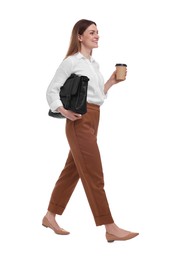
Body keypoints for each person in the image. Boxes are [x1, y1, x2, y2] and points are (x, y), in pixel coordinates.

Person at [43, 19, 139, 242]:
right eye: (92, 32)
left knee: (72, 171)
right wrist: (63, 111)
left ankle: (50, 215)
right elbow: (51, 91)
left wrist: (111, 83)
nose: (97, 36)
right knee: (94, 173)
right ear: (79, 36)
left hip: (94, 118)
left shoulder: (93, 64)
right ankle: (109, 226)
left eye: (98, 32)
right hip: (79, 122)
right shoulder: (71, 62)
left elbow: (97, 98)